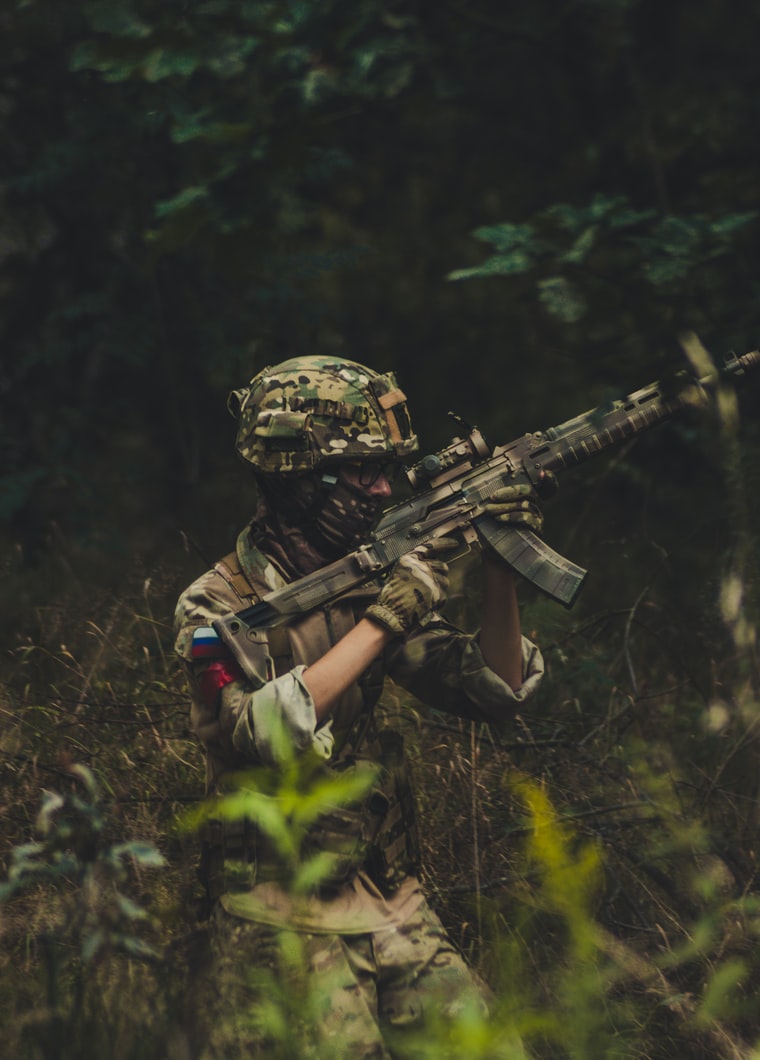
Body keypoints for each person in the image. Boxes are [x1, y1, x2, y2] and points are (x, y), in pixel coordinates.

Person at [172, 354, 545, 1057]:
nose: (383, 489)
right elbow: (261, 731)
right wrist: (388, 615)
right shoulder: (214, 605)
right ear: (296, 480)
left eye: (390, 469)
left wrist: (502, 563)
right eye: (363, 471)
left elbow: (492, 690)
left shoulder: (371, 568)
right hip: (277, 914)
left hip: (388, 897)